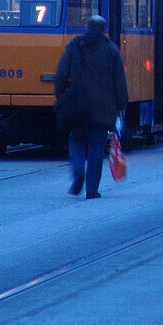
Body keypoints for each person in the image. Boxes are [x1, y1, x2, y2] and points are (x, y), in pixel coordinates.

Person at [54, 15, 128, 198]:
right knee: (96, 146)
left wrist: (62, 98)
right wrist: (121, 106)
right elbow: (120, 82)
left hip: (77, 104)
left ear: (87, 28)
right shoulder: (111, 50)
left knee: (77, 140)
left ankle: (78, 169)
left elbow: (61, 75)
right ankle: (92, 189)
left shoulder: (74, 46)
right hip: (103, 107)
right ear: (104, 29)